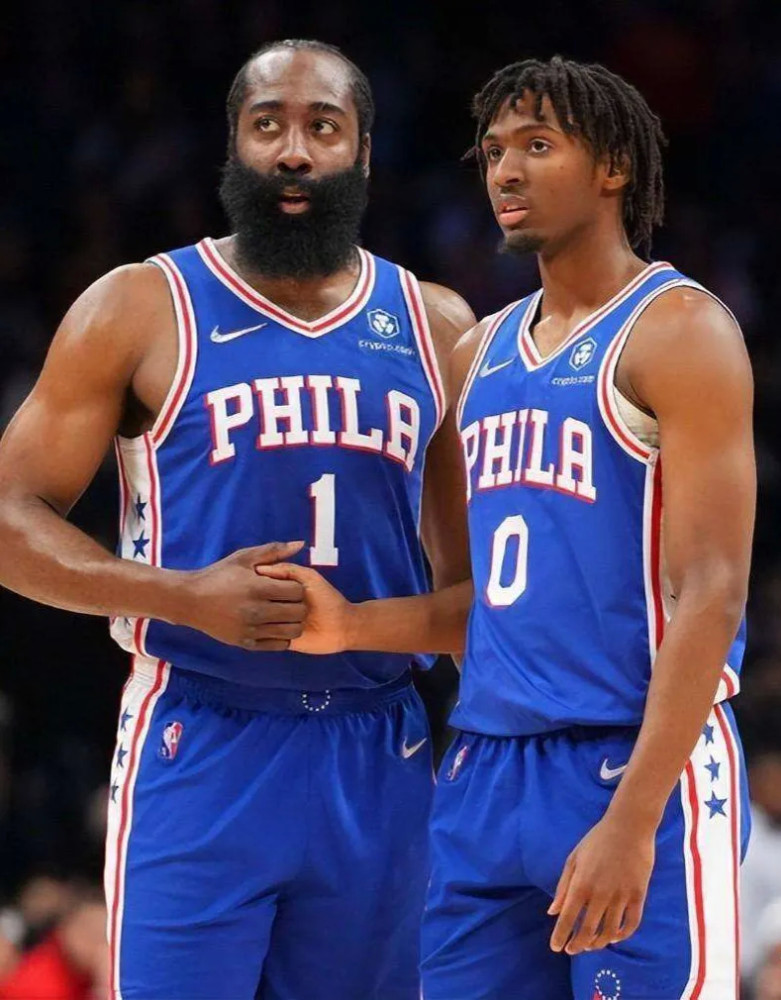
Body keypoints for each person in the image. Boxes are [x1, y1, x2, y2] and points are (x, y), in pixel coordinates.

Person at [260, 56, 756, 999]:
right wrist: (350, 626)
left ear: (613, 166)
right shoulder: (475, 353)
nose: (505, 171)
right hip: (484, 770)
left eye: (537, 145)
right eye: (492, 152)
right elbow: (487, 605)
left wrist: (631, 819)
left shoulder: (678, 332)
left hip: (629, 760)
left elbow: (710, 593)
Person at [0, 39, 474, 1000]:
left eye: (322, 127)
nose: (293, 150)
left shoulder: (437, 327)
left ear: (363, 153)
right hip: (199, 735)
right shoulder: (138, 308)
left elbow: (473, 602)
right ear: (234, 146)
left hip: (378, 748)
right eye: (268, 125)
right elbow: (10, 516)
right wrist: (180, 596)